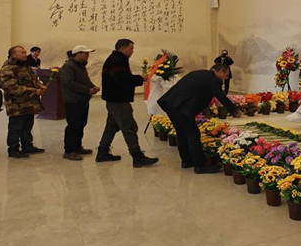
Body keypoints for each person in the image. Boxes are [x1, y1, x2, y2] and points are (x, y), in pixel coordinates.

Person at [158, 63, 241, 173]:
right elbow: (221, 96)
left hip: (171, 104)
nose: (225, 78)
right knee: (193, 135)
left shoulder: (201, 73)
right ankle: (200, 165)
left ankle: (187, 160)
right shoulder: (213, 80)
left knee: (182, 133)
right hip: (181, 108)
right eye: (226, 75)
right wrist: (234, 111)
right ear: (220, 72)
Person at [96, 39, 158, 167]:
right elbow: (123, 79)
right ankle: (137, 157)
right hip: (118, 101)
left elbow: (121, 78)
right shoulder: (117, 60)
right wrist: (141, 79)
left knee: (111, 127)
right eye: (131, 48)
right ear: (122, 49)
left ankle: (102, 152)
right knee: (129, 127)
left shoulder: (116, 59)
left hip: (114, 100)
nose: (132, 51)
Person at [0, 46, 47, 159]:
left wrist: (40, 85)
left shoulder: (25, 66)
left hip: (29, 102)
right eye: (22, 52)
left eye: (25, 52)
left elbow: (33, 79)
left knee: (27, 126)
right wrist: (34, 91)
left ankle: (27, 146)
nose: (25, 54)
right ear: (13, 55)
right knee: (16, 127)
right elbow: (11, 87)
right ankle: (13, 149)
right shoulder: (8, 68)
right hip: (16, 104)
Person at [60, 45, 100, 161]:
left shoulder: (81, 66)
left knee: (81, 124)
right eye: (85, 53)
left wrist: (93, 87)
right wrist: (87, 90)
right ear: (78, 54)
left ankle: (77, 147)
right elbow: (68, 83)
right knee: (74, 125)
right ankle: (69, 151)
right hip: (73, 100)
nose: (88, 55)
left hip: (82, 100)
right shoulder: (68, 66)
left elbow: (85, 80)